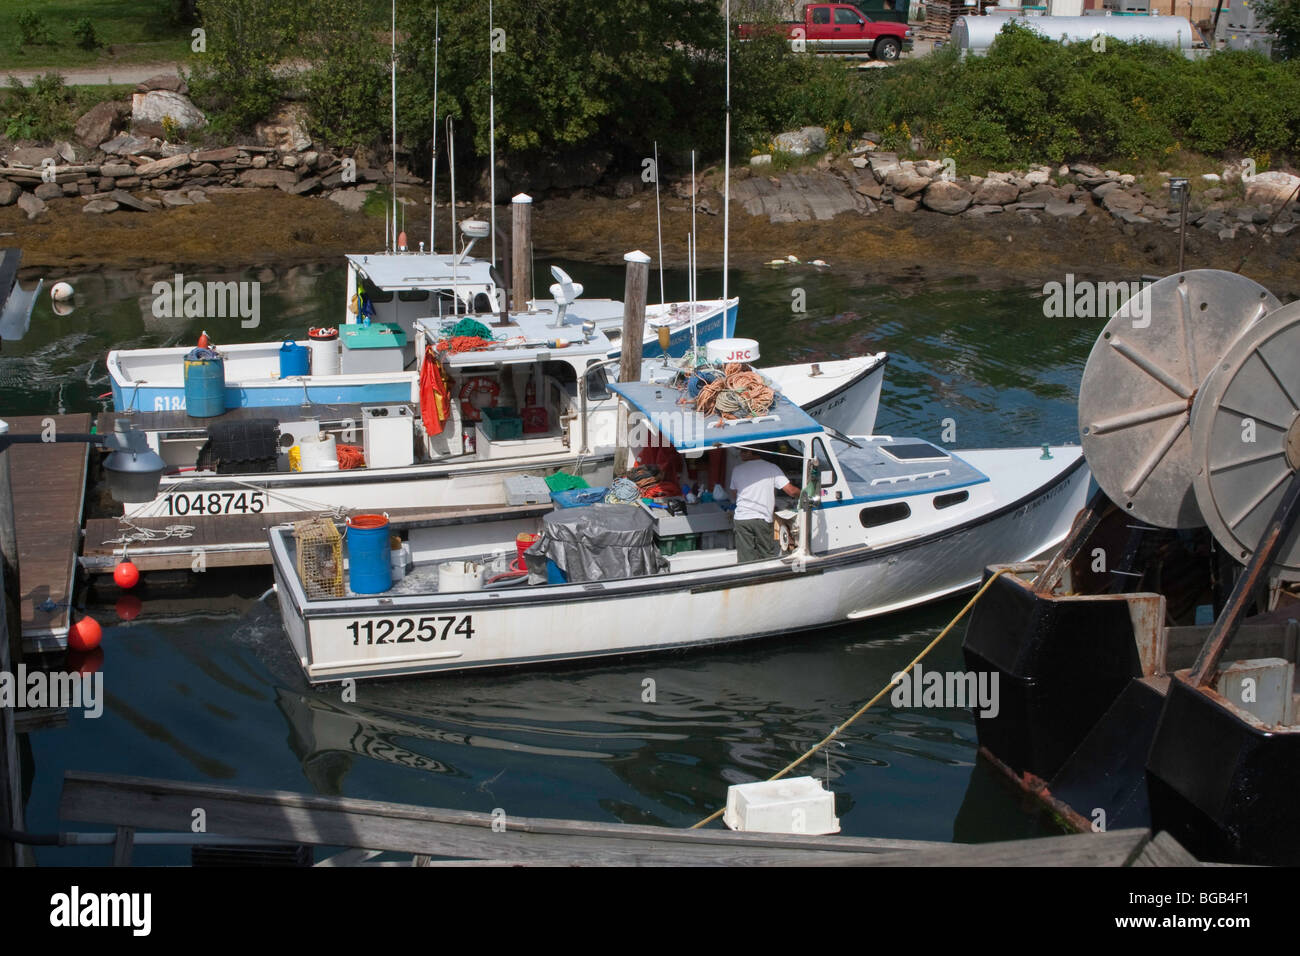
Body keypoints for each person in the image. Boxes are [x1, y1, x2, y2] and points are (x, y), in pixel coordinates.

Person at [728, 447, 800, 563]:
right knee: (766, 556)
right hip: (761, 519)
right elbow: (791, 491)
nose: (740, 454)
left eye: (742, 451)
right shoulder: (771, 468)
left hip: (742, 519)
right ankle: (767, 578)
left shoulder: (737, 469)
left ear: (750, 451)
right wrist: (804, 494)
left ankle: (748, 579)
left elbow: (734, 493)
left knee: (745, 559)